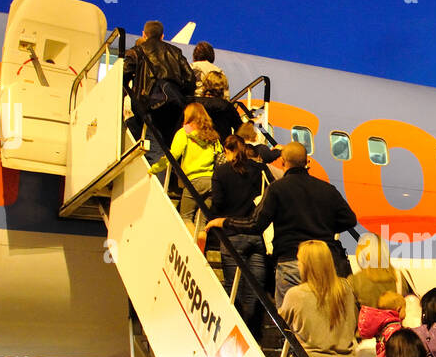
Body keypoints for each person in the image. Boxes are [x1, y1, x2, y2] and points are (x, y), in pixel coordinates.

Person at [205, 142, 358, 306]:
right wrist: (324, 226)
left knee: (290, 320)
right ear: (307, 162)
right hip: (324, 263)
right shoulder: (328, 189)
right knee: (323, 314)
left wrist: (224, 221)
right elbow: (349, 219)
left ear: (283, 162)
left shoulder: (277, 189)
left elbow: (255, 224)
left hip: (291, 260)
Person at [209, 128, 272, 338]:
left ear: (227, 150)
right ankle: (254, 337)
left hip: (231, 235)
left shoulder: (221, 172)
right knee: (254, 290)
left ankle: (237, 333)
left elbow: (217, 202)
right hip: (256, 235)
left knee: (233, 288)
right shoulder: (259, 169)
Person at [122, 20, 196, 156]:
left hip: (148, 106)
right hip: (173, 106)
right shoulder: (175, 52)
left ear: (144, 34)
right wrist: (179, 95)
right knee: (168, 146)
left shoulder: (137, 51)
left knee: (153, 147)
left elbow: (122, 75)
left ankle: (158, 174)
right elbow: (191, 79)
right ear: (162, 36)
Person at [152, 103, 220, 239]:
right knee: (202, 224)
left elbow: (172, 155)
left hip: (193, 181)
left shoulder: (184, 133)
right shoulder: (213, 136)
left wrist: (154, 168)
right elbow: (220, 156)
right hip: (212, 182)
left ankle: (193, 251)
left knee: (186, 217)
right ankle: (200, 251)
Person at [194, 69, 243, 141]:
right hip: (222, 147)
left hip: (198, 145)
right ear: (222, 87)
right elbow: (240, 129)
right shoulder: (227, 106)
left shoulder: (195, 104)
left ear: (205, 84)